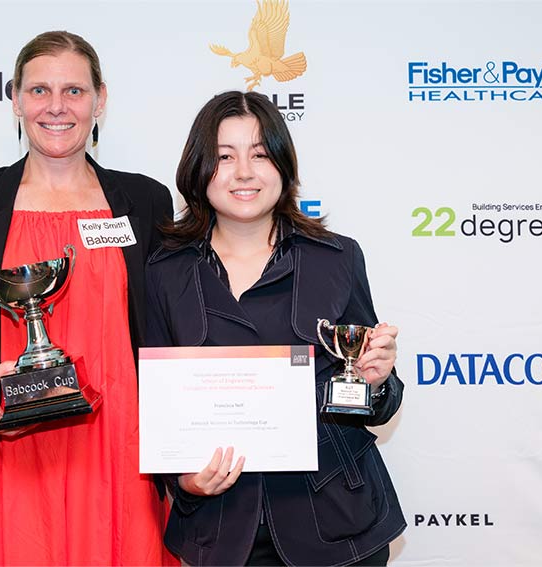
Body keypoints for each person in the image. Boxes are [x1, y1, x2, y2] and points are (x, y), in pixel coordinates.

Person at [0, 30, 177, 566]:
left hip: (119, 462)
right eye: (39, 90)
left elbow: (174, 328)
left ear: (100, 100)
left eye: (74, 91)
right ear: (16, 100)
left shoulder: (145, 201)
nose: (56, 106)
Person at [144, 91, 406, 566]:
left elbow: (378, 405)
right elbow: (156, 401)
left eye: (260, 154)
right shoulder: (165, 270)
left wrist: (376, 381)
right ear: (199, 169)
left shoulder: (337, 258)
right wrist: (184, 481)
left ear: (283, 166)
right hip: (221, 527)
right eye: (225, 156)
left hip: (336, 521)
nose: (244, 172)